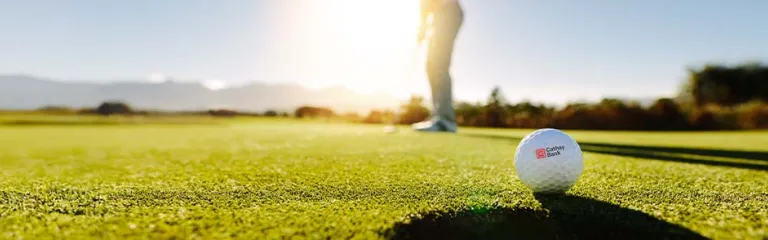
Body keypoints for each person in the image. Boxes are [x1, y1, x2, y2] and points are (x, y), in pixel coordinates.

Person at [412, 0, 464, 133]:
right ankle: (438, 116)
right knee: (431, 66)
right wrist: (423, 26)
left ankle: (445, 120)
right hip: (437, 14)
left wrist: (423, 24)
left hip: (448, 10)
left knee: (439, 64)